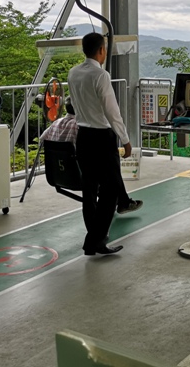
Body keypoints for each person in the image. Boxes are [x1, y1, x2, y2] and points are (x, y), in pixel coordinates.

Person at [68, 32, 135, 255]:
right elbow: (112, 111)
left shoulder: (73, 73)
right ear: (101, 50)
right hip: (102, 137)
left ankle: (95, 236)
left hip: (83, 136)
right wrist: (125, 139)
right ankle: (95, 240)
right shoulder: (101, 75)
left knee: (89, 190)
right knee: (111, 189)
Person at [40, 97, 142, 215]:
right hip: (80, 175)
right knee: (110, 166)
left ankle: (122, 201)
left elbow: (43, 140)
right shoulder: (82, 127)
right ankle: (122, 202)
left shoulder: (56, 123)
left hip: (57, 175)